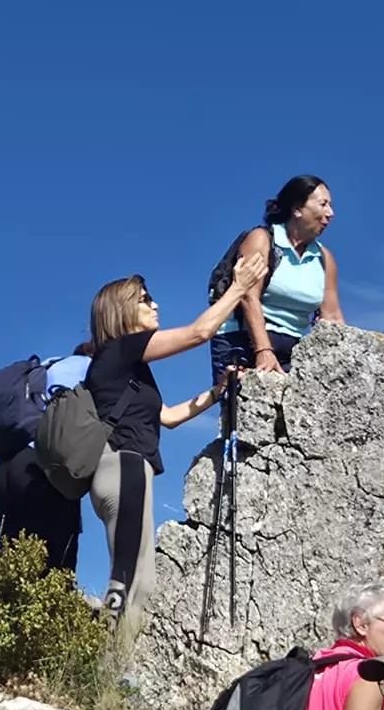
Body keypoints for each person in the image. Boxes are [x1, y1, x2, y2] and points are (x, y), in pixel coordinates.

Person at [84, 252, 265, 638]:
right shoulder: (122, 349)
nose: (155, 304)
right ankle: (104, 669)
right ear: (121, 311)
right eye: (145, 299)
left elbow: (167, 416)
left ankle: (112, 669)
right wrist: (239, 289)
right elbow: (200, 333)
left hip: (124, 470)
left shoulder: (127, 367)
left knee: (140, 579)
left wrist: (218, 393)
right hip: (125, 466)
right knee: (129, 577)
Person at [209, 176, 345, 386]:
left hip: (294, 348)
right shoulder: (262, 240)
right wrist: (263, 350)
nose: (330, 213)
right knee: (244, 414)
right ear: (297, 209)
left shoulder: (325, 258)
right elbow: (247, 297)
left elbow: (333, 318)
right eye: (323, 204)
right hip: (242, 340)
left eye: (331, 206)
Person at [0, 349, 91, 573]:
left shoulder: (45, 368)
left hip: (5, 464)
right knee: (57, 568)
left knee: (12, 559)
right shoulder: (91, 367)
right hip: (42, 466)